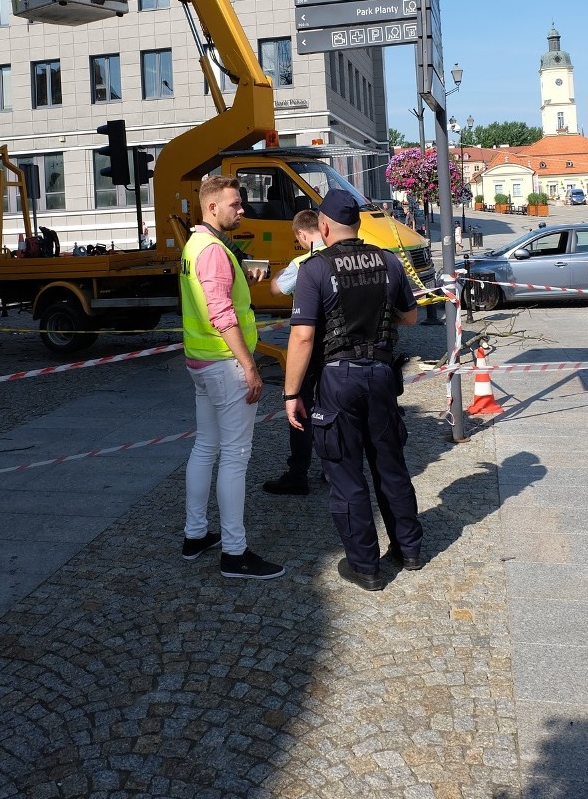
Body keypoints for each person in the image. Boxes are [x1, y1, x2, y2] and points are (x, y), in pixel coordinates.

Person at [284, 189, 423, 593]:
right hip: (381, 373)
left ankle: (365, 566)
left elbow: (304, 338)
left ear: (323, 226)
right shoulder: (389, 261)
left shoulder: (315, 268)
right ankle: (409, 550)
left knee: (345, 472)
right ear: (359, 224)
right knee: (390, 465)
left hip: (337, 377)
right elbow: (411, 317)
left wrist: (291, 393)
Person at [180, 175, 285, 580]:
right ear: (212, 208)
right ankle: (235, 552)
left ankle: (195, 536)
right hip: (224, 363)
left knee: (206, 447)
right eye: (235, 205)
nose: (242, 210)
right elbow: (221, 313)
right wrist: (250, 364)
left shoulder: (196, 244)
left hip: (202, 361)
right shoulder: (211, 251)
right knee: (235, 456)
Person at [263, 210, 325, 496]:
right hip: (341, 347)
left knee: (301, 407)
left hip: (310, 344)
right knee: (335, 407)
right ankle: (333, 469)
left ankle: (298, 473)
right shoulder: (341, 254)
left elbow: (276, 290)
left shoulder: (303, 262)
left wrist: (276, 273)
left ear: (301, 234)